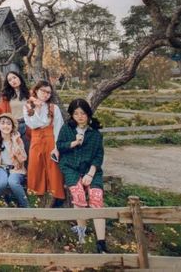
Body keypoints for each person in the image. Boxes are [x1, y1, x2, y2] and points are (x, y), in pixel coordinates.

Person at [57, 99, 107, 253]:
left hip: (91, 169)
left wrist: (90, 174)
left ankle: (101, 243)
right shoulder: (67, 129)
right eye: (76, 113)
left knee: (96, 199)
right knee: (78, 196)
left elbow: (98, 156)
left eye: (83, 113)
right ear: (72, 115)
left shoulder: (95, 134)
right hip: (70, 167)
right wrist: (73, 143)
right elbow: (60, 146)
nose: (80, 116)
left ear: (88, 114)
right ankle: (82, 237)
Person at [24, 80, 66, 206]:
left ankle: (56, 197)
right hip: (36, 139)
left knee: (53, 167)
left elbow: (58, 127)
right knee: (35, 166)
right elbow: (33, 124)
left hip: (50, 138)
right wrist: (37, 108)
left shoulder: (54, 108)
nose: (46, 94)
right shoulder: (28, 106)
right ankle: (35, 198)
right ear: (36, 90)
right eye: (43, 91)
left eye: (48, 92)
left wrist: (57, 147)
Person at [0, 113, 28, 207]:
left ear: (12, 127)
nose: (5, 126)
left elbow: (23, 158)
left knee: (13, 182)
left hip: (16, 168)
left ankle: (25, 205)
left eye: (8, 123)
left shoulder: (18, 139)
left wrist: (15, 143)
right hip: (1, 167)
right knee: (2, 182)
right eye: (3, 123)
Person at [0, 71, 30, 152]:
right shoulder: (6, 96)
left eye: (14, 77)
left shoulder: (29, 93)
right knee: (15, 151)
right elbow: (2, 113)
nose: (13, 81)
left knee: (27, 150)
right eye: (10, 80)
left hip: (27, 124)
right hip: (14, 125)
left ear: (19, 78)